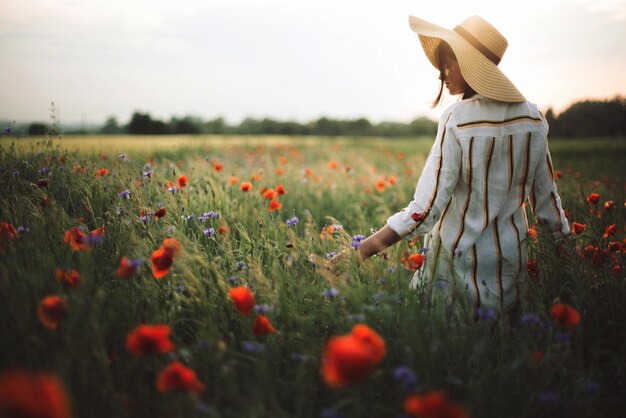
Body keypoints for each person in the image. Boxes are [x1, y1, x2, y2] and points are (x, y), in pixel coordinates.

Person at [332, 15, 570, 321]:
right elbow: (549, 208)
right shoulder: (533, 118)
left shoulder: (457, 118)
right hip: (510, 273)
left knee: (451, 359)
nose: (441, 75)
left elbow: (425, 209)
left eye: (448, 64)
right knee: (498, 356)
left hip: (456, 272)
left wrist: (359, 252)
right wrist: (571, 278)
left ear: (471, 64)